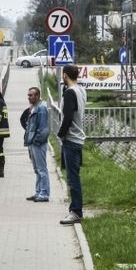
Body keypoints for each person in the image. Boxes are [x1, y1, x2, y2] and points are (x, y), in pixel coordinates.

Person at [56, 64, 86, 225]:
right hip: (78, 137)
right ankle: (76, 209)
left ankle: (76, 211)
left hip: (71, 139)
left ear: (65, 75)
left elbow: (67, 117)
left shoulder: (69, 93)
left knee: (72, 177)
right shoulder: (81, 90)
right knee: (74, 175)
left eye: (63, 75)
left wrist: (60, 134)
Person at [22, 86, 50, 202]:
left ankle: (44, 193)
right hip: (33, 143)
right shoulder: (33, 108)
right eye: (28, 95)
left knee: (42, 169)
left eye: (31, 95)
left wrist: (36, 141)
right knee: (37, 169)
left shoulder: (41, 109)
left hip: (38, 143)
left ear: (37, 96)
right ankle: (38, 191)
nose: (29, 97)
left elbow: (43, 129)